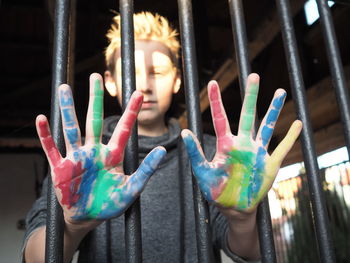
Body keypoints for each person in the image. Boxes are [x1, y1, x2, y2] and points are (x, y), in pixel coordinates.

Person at [23, 12, 302, 263]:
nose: (144, 85)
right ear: (109, 81)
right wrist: (74, 226)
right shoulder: (80, 157)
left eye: (157, 72)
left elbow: (253, 253)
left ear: (178, 79)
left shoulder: (210, 153)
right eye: (131, 72)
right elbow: (35, 256)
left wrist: (242, 219)